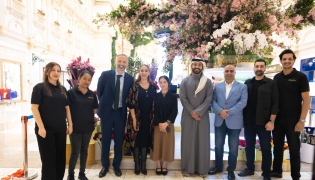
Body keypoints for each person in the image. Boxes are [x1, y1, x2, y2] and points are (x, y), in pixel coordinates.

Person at [271, 49, 310, 180]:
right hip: (278, 119)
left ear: (293, 60)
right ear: (281, 61)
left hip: (294, 119)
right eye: (284, 59)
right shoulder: (276, 77)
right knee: (277, 146)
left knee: (294, 148)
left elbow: (306, 99)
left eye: (289, 59)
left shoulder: (301, 77)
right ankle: (277, 171)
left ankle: (295, 175)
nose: (287, 61)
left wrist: (302, 120)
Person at [31, 62, 73, 180]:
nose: (56, 73)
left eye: (58, 71)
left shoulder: (62, 89)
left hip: (60, 129)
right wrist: (41, 127)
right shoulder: (39, 88)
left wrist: (70, 124)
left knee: (60, 158)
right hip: (46, 130)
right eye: (53, 70)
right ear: (47, 72)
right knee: (48, 159)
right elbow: (34, 108)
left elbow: (67, 108)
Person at [238, 59, 279, 180]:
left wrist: (272, 121)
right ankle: (250, 168)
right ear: (254, 68)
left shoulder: (271, 84)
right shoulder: (248, 83)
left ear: (265, 68)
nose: (259, 68)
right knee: (249, 146)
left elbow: (276, 103)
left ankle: (266, 173)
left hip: (264, 122)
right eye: (257, 66)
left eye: (261, 66)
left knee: (266, 148)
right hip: (249, 122)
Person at [97, 54, 134, 177]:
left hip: (120, 112)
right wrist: (106, 105)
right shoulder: (105, 75)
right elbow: (100, 92)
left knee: (119, 140)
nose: (121, 64)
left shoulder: (130, 78)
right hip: (107, 112)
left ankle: (116, 165)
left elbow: (129, 96)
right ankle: (105, 165)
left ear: (127, 63)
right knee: (106, 139)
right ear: (115, 61)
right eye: (119, 61)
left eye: (124, 62)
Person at [209, 64, 248, 180]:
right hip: (220, 120)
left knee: (233, 148)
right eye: (227, 71)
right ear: (224, 73)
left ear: (235, 73)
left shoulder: (242, 87)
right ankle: (218, 167)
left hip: (234, 121)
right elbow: (213, 101)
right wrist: (220, 111)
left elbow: (243, 102)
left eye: (231, 71)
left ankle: (231, 170)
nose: (229, 73)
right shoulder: (217, 87)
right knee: (218, 146)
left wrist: (228, 112)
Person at [179, 58, 213, 177]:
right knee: (188, 142)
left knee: (202, 142)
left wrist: (198, 112)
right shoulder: (184, 81)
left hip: (202, 117)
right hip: (188, 117)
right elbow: (183, 98)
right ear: (191, 66)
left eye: (199, 64)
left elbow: (209, 98)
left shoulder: (207, 82)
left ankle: (202, 169)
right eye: (195, 64)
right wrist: (192, 112)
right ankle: (187, 169)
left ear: (202, 66)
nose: (197, 66)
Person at [124, 64, 156, 175]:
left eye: (146, 70)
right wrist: (133, 119)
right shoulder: (134, 86)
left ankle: (143, 164)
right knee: (136, 140)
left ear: (148, 73)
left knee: (145, 140)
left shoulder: (152, 87)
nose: (143, 72)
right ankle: (137, 164)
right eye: (141, 70)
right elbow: (130, 103)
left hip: (148, 119)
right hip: (136, 118)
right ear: (139, 72)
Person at [67, 71, 98, 180]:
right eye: (84, 78)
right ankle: (71, 175)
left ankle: (82, 173)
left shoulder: (92, 94)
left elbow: (94, 109)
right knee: (75, 152)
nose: (87, 81)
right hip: (75, 127)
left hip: (87, 127)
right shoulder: (71, 93)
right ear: (79, 79)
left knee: (84, 151)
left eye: (89, 79)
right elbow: (67, 110)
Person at [150, 75, 178, 175]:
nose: (162, 84)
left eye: (164, 82)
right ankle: (158, 164)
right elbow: (154, 110)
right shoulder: (155, 96)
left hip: (168, 125)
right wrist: (160, 124)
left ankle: (164, 164)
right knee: (157, 144)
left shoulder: (173, 96)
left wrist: (166, 123)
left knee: (167, 145)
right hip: (157, 125)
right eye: (161, 82)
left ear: (168, 83)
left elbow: (174, 111)